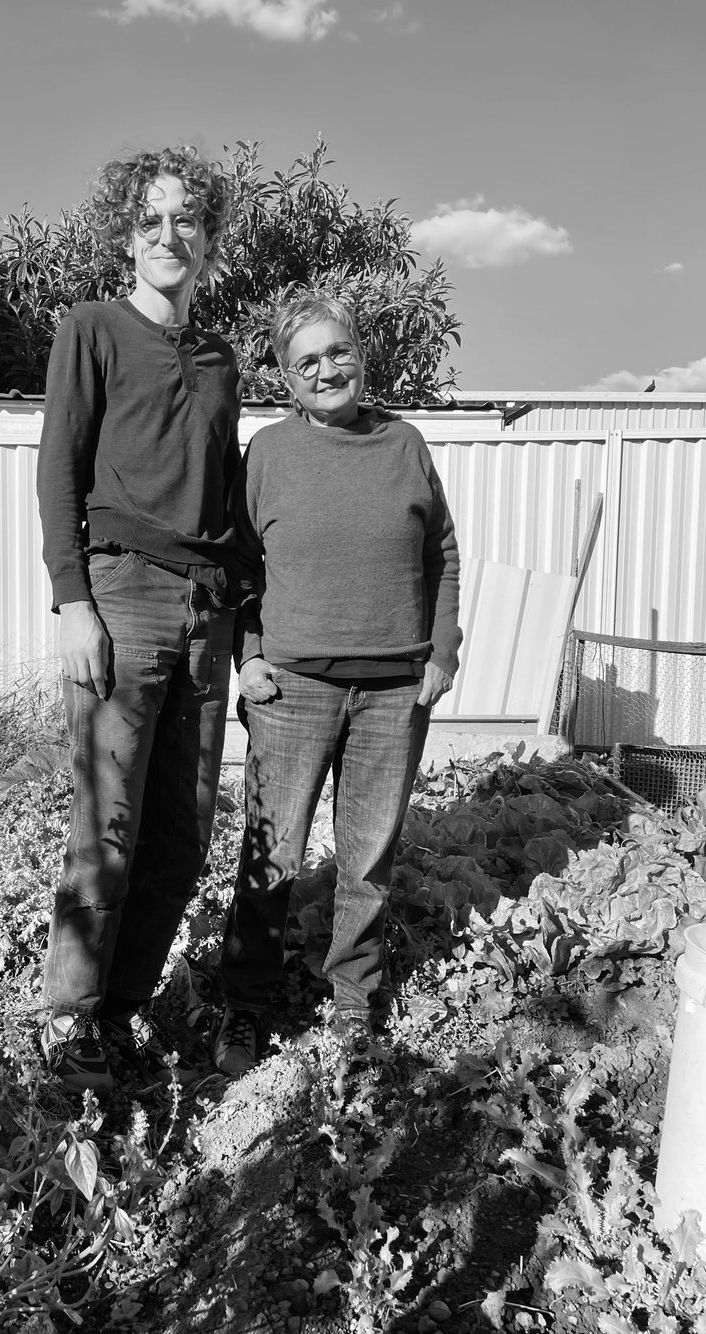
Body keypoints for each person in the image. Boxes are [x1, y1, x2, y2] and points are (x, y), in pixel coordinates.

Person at [36, 147, 242, 1095]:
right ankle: (72, 1030)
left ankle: (119, 1016)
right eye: (152, 219)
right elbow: (59, 470)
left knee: (181, 835)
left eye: (187, 219)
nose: (171, 235)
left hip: (206, 611)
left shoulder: (218, 358)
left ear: (208, 237)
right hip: (121, 593)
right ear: (129, 234)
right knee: (105, 831)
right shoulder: (92, 328)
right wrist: (74, 598)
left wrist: (247, 618)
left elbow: (229, 497)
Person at [212, 291, 461, 1077]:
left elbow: (442, 554)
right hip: (292, 690)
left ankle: (354, 1000)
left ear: (360, 353)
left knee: (367, 859)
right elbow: (239, 567)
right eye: (307, 361)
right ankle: (245, 1005)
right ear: (286, 378)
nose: (327, 370)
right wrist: (246, 657)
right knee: (271, 856)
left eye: (338, 352)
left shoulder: (404, 443)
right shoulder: (268, 454)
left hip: (394, 692)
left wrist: (443, 652)